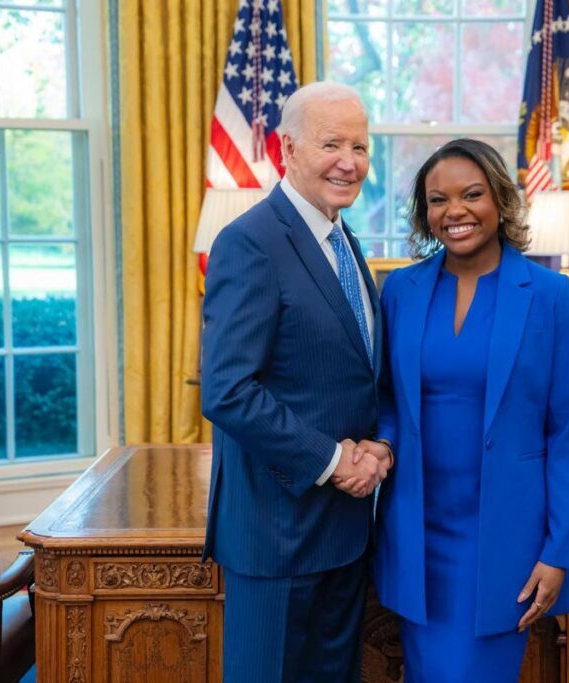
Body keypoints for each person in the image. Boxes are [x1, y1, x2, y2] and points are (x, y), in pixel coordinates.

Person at [369, 138, 569, 681]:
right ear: (425, 213)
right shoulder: (400, 290)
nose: (455, 212)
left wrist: (559, 551)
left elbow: (565, 434)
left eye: (471, 195)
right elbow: (387, 402)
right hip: (418, 531)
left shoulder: (549, 294)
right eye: (438, 200)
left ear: (500, 201)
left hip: (506, 537)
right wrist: (381, 445)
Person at [201, 82, 394, 682]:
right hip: (276, 530)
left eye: (360, 147)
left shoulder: (343, 238)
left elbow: (359, 372)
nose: (349, 161)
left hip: (345, 530)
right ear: (288, 147)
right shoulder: (249, 242)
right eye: (331, 144)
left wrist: (378, 448)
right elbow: (227, 389)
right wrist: (334, 460)